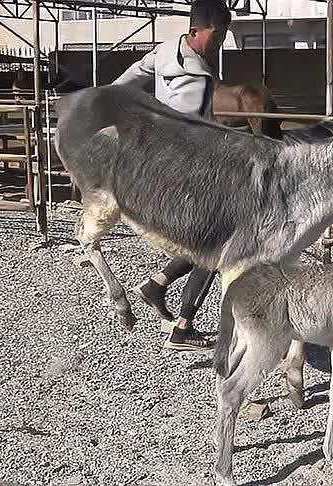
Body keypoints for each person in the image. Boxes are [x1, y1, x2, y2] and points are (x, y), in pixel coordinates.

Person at [111, 0, 230, 351]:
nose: (220, 42)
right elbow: (190, 130)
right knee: (218, 247)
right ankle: (183, 327)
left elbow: (132, 75)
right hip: (186, 173)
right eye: (218, 34)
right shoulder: (200, 77)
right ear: (197, 31)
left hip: (158, 165)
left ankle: (157, 286)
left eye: (224, 35)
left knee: (206, 241)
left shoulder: (166, 50)